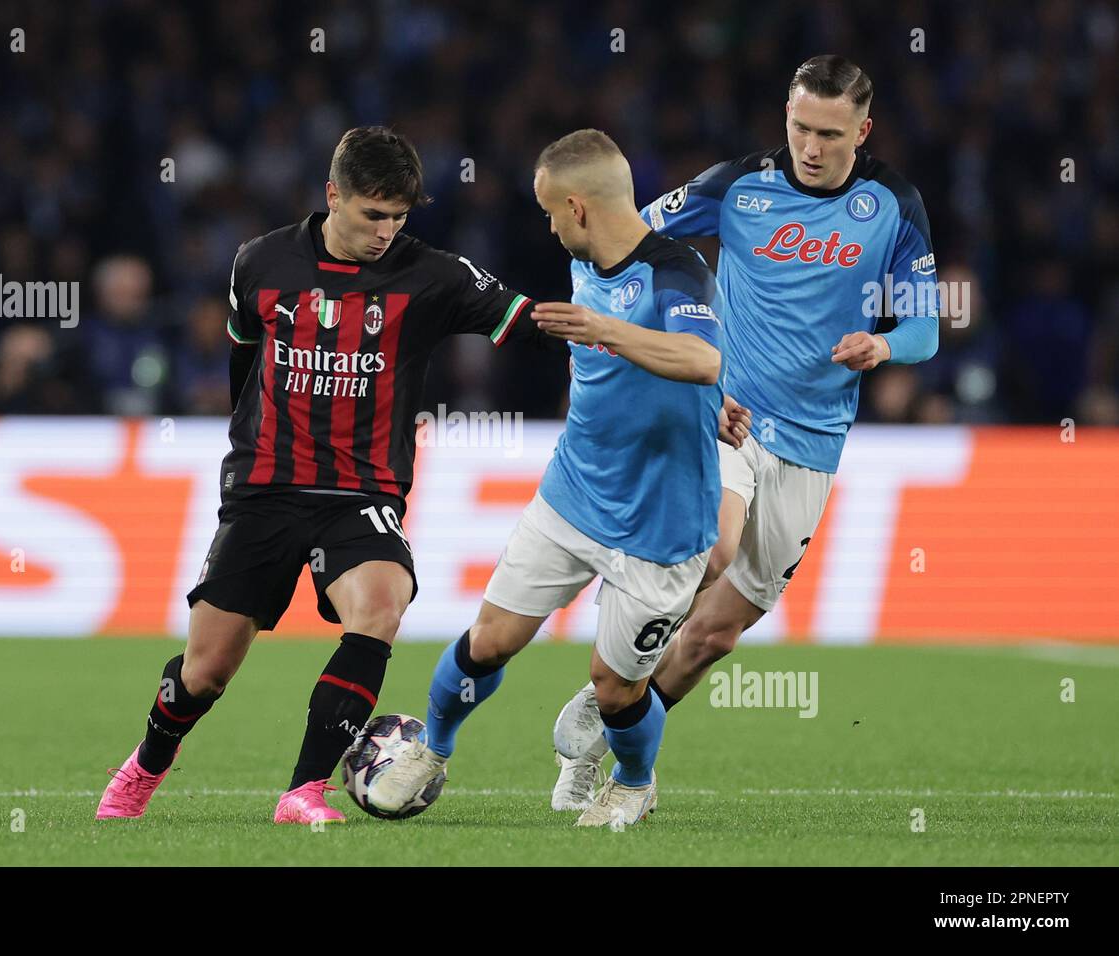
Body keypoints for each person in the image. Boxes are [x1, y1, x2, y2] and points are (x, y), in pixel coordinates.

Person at [95, 126, 556, 825]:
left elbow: (536, 322)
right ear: (333, 195)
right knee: (205, 672)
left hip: (361, 491)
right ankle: (145, 765)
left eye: (399, 216)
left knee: (382, 606)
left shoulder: (433, 276)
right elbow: (244, 364)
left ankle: (304, 790)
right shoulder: (260, 261)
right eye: (374, 214)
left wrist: (628, 337)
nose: (386, 231)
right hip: (266, 488)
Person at [549, 55, 941, 811]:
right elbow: (627, 236)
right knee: (713, 548)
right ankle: (619, 693)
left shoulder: (894, 204)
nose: (812, 147)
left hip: (814, 441)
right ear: (786, 116)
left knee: (712, 638)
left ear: (864, 131)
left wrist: (885, 344)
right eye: (801, 127)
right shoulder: (737, 186)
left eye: (831, 134)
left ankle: (605, 724)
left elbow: (926, 326)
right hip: (728, 414)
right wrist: (619, 324)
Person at [366, 129, 728, 827]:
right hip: (574, 493)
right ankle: (430, 751)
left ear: (577, 207)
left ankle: (633, 780)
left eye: (550, 212)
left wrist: (603, 330)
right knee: (489, 639)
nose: (549, 226)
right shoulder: (586, 258)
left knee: (614, 689)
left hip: (662, 518)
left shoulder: (675, 271)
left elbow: (701, 358)